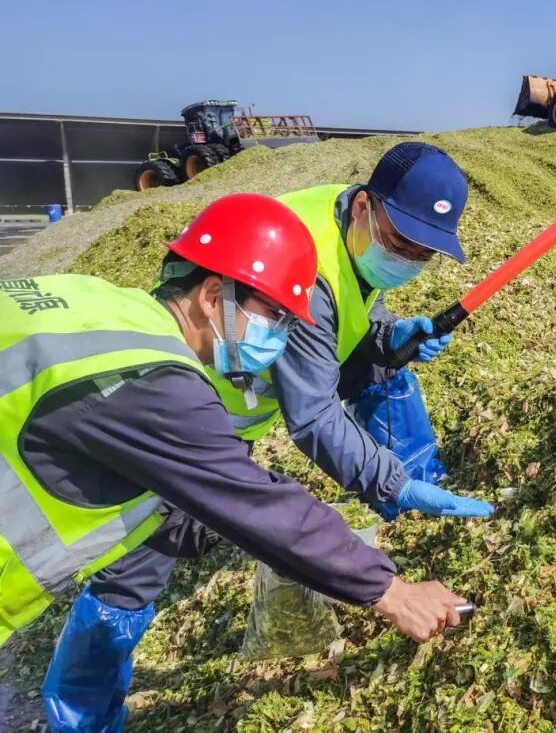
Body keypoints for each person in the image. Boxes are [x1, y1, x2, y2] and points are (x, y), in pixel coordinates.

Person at [16, 194, 473, 733]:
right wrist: (392, 593)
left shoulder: (89, 296)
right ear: (212, 295)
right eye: (276, 317)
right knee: (132, 574)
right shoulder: (152, 385)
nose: (280, 339)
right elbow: (259, 505)